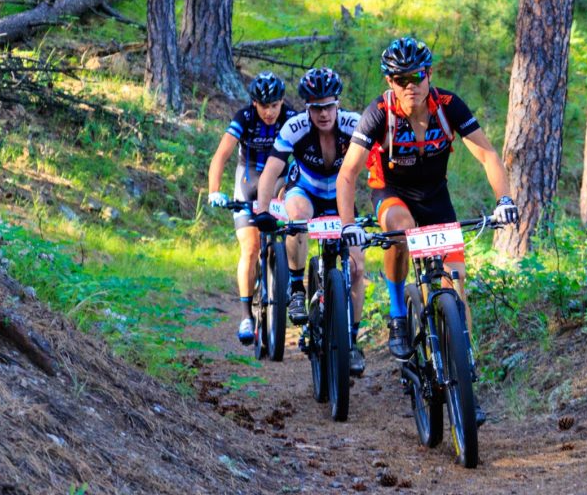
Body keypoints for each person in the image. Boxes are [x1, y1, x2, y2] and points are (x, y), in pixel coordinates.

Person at [335, 37, 519, 424]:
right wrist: (349, 225)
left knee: (456, 286)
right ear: (389, 82)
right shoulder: (378, 114)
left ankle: (465, 379)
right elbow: (348, 173)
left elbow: (487, 153)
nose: (410, 86)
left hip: (436, 199)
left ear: (429, 75)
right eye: (400, 79)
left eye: (417, 76)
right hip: (392, 194)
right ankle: (398, 313)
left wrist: (504, 201)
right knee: (401, 232)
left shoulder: (449, 106)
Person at [252, 67, 368, 376]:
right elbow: (271, 171)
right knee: (298, 218)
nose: (324, 113)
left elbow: (381, 161)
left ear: (337, 103)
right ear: (307, 108)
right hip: (305, 190)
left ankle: (352, 342)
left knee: (356, 268)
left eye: (329, 105)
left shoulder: (353, 125)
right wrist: (263, 209)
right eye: (316, 107)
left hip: (340, 199)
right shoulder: (295, 127)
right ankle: (296, 289)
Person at [207, 72, 296, 345]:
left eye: (274, 105)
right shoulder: (244, 118)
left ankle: (292, 281)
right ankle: (246, 315)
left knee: (295, 228)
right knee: (250, 247)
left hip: (279, 182)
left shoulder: (291, 116)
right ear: (254, 103)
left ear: (282, 102)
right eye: (263, 105)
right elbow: (221, 156)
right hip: (248, 182)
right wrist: (214, 191)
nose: (269, 112)